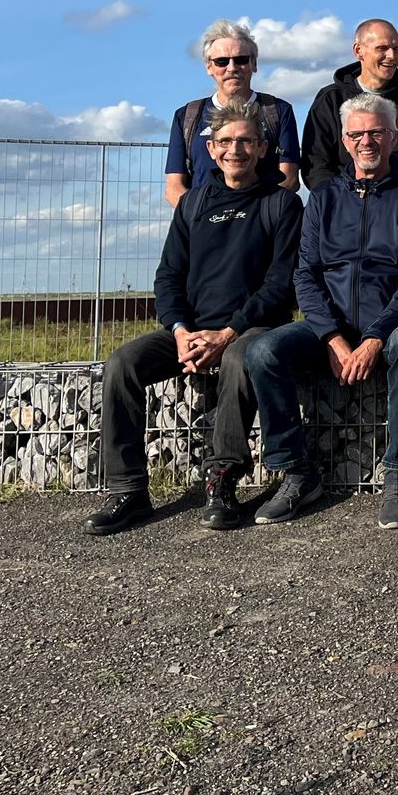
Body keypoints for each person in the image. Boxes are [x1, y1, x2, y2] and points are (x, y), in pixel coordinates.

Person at [84, 103, 302, 535]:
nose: (234, 150)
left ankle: (221, 482)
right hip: (190, 329)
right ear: (211, 149)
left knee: (242, 358)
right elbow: (168, 276)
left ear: (262, 147)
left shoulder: (283, 204)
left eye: (245, 141)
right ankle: (129, 491)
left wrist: (227, 332)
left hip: (250, 328)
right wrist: (181, 331)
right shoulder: (193, 204)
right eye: (225, 142)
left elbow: (282, 283)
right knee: (122, 364)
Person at [247, 94, 398, 530]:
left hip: (393, 322)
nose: (366, 141)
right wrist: (332, 338)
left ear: (393, 136)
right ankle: (296, 472)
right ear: (344, 140)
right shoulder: (323, 198)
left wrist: (374, 338)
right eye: (356, 134)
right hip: (330, 325)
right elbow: (306, 275)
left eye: (375, 132)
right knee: (263, 352)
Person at [164, 20, 299, 206]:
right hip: (203, 226)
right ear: (209, 67)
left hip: (261, 226)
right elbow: (173, 188)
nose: (232, 68)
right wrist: (203, 217)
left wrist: (249, 217)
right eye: (221, 61)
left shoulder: (278, 111)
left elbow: (289, 179)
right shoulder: (187, 116)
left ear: (254, 64)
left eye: (241, 59)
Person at [300, 19, 398, 190]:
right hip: (342, 203)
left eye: (396, 49)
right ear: (359, 51)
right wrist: (334, 200)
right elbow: (316, 162)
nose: (391, 56)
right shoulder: (330, 100)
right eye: (382, 48)